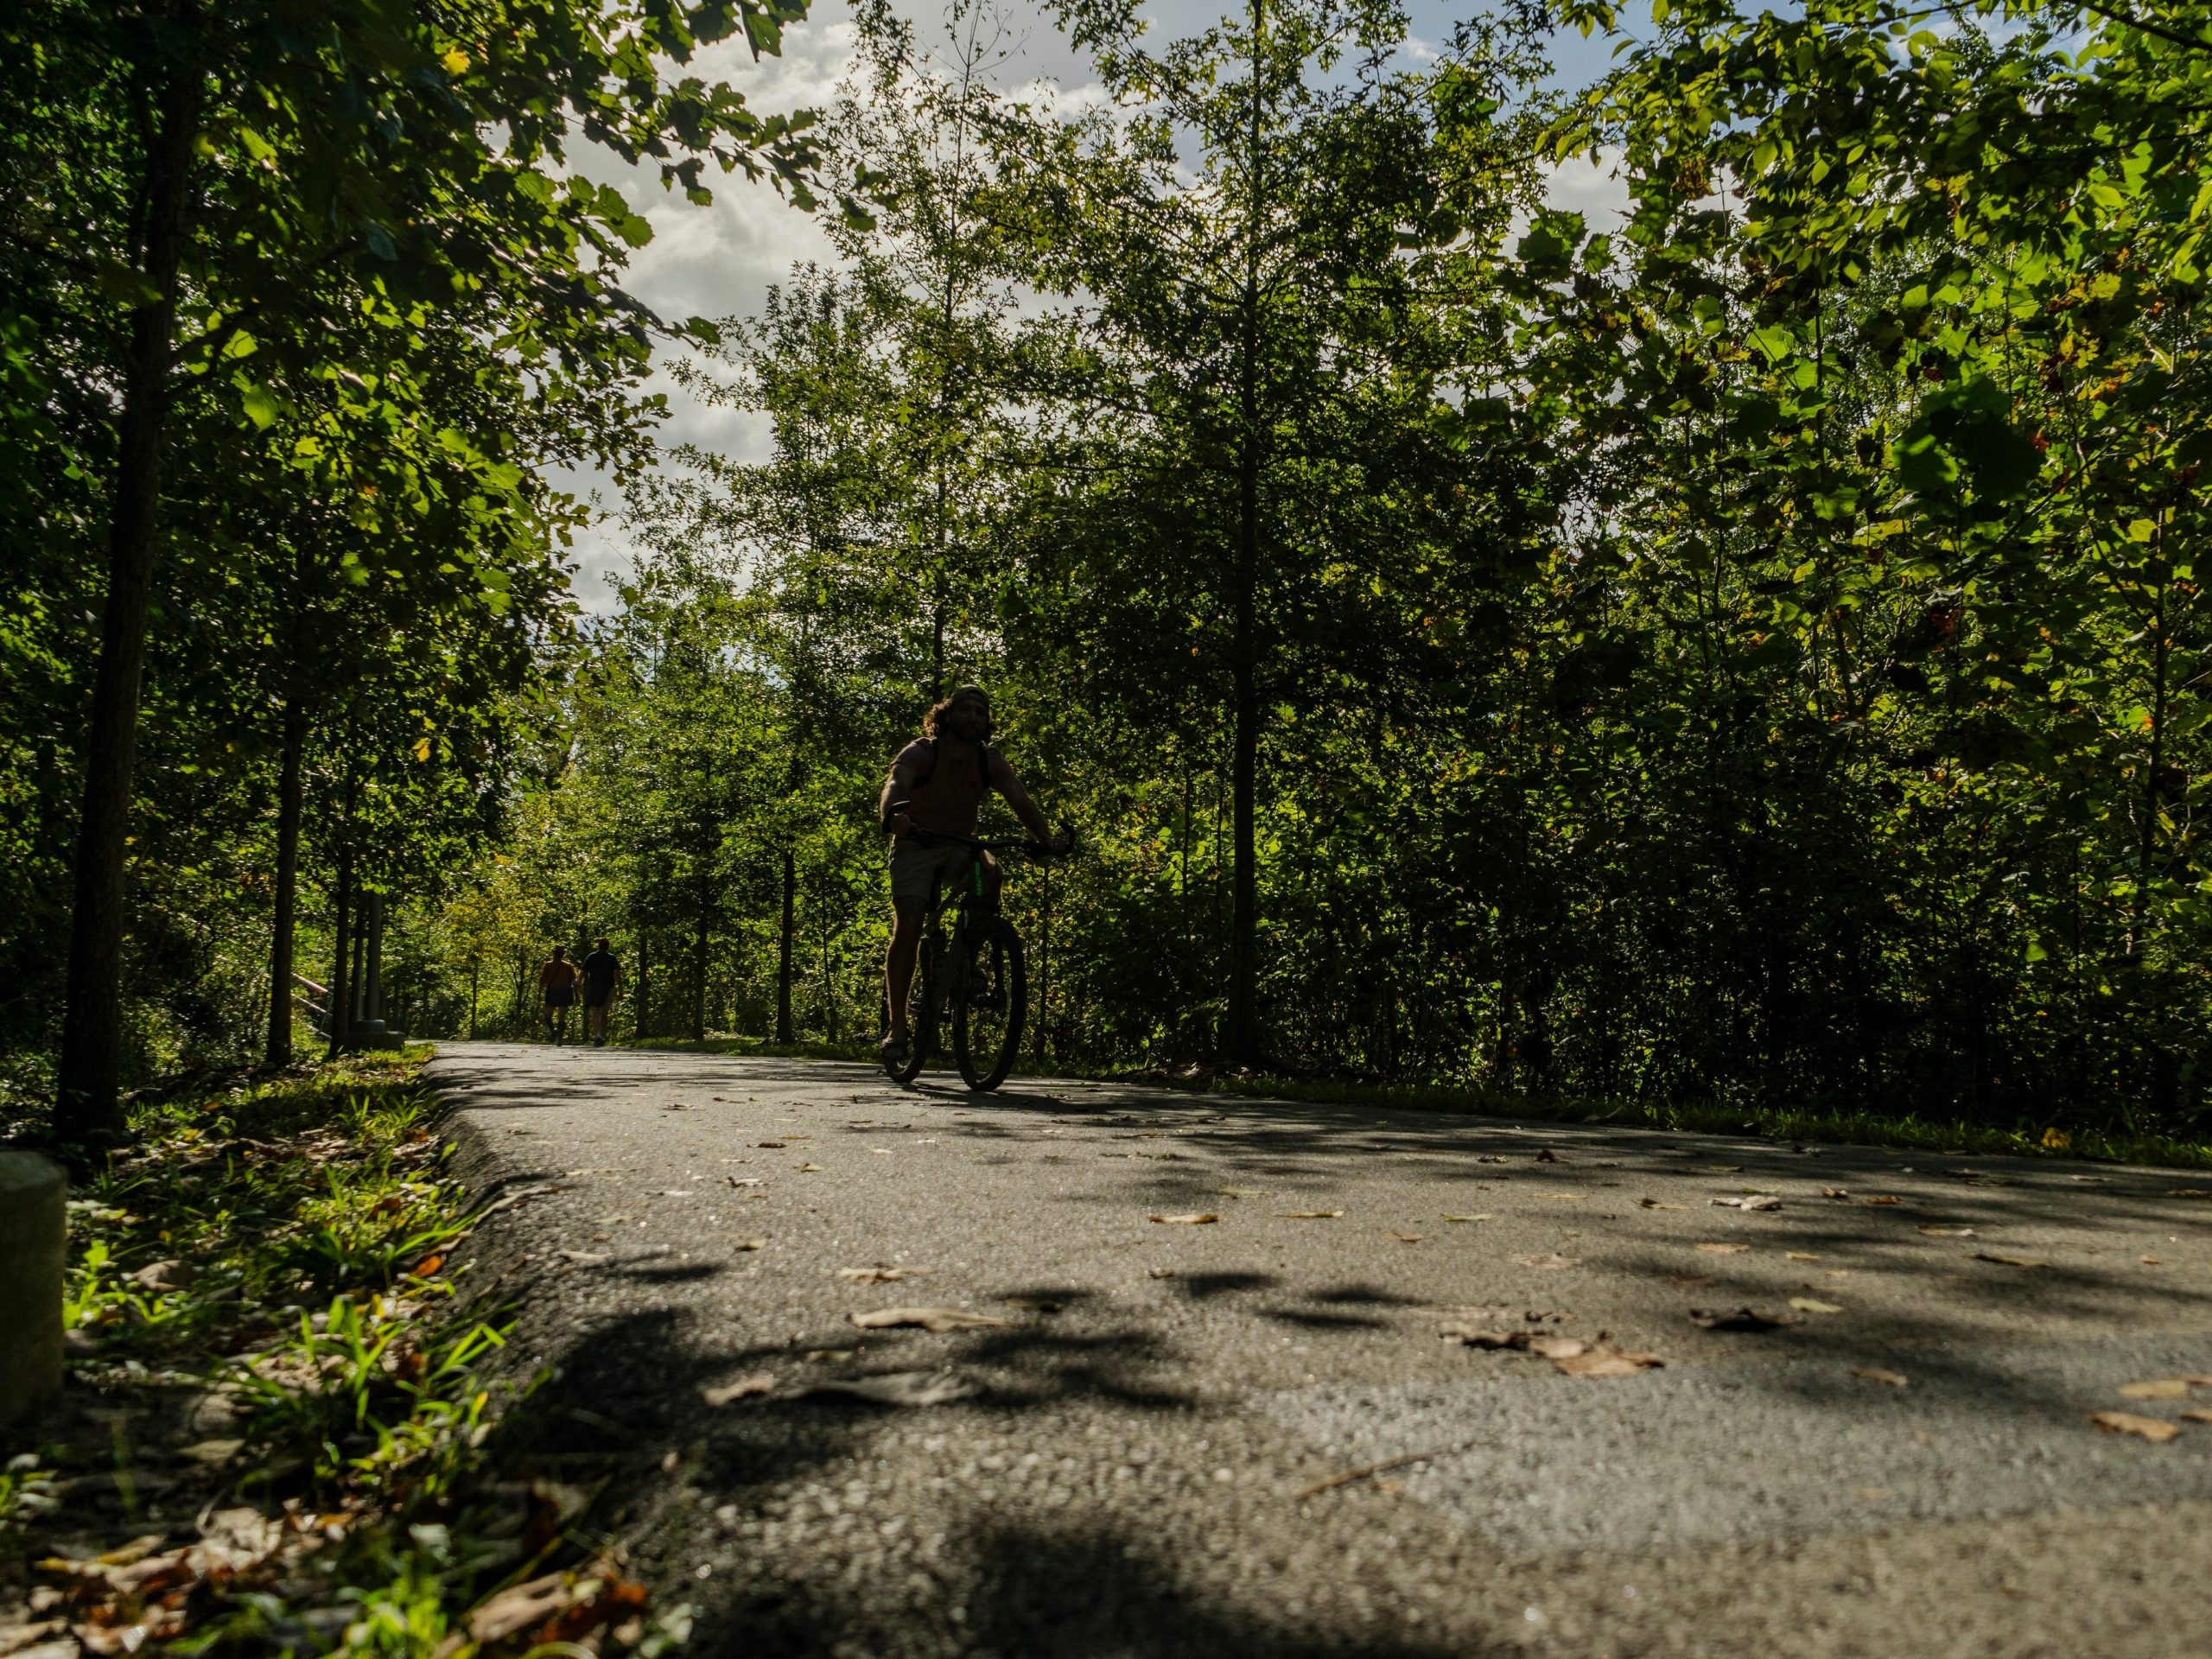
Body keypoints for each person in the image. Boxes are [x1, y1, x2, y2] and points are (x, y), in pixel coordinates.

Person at [877, 684, 1064, 1070]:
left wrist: (1045, 839)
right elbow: (895, 783)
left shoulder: (988, 760)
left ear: (986, 723)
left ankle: (973, 946)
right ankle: (897, 1028)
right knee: (909, 923)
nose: (973, 718)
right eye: (965, 710)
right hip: (916, 843)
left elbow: (1020, 798)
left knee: (990, 872)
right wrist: (894, 815)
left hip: (961, 847)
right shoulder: (922, 752)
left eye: (980, 712)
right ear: (945, 716)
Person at [580, 938, 621, 1047]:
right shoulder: (612, 958)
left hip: (594, 986)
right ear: (608, 946)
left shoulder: (592, 956)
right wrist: (620, 989)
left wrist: (579, 984)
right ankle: (602, 1036)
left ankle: (597, 1035)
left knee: (595, 1011)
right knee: (604, 1012)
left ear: (599, 946)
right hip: (608, 987)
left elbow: (583, 972)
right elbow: (617, 974)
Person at [539, 946, 580, 1045]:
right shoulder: (549, 965)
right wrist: (577, 994)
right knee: (550, 1015)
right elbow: (543, 979)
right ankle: (555, 1033)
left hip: (561, 991)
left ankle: (559, 1038)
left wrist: (576, 994)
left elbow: (573, 981)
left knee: (556, 1015)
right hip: (559, 991)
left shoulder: (567, 966)